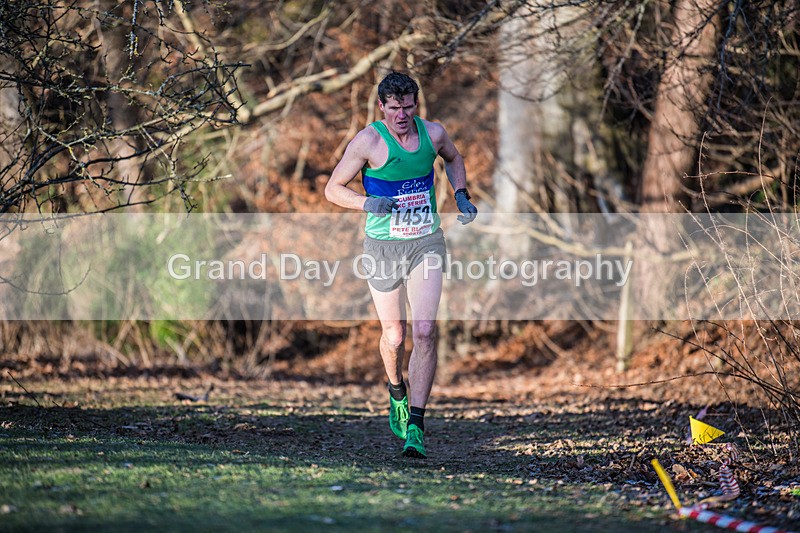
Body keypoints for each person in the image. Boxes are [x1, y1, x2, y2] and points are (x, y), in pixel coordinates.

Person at [325, 71, 477, 458]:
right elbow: (332, 189)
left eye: (408, 107)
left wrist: (461, 194)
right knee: (395, 335)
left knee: (425, 331)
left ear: (416, 104)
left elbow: (454, 158)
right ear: (382, 107)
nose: (402, 115)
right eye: (395, 108)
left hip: (425, 242)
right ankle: (396, 390)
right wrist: (366, 203)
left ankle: (417, 425)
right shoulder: (369, 141)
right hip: (383, 247)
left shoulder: (434, 134)